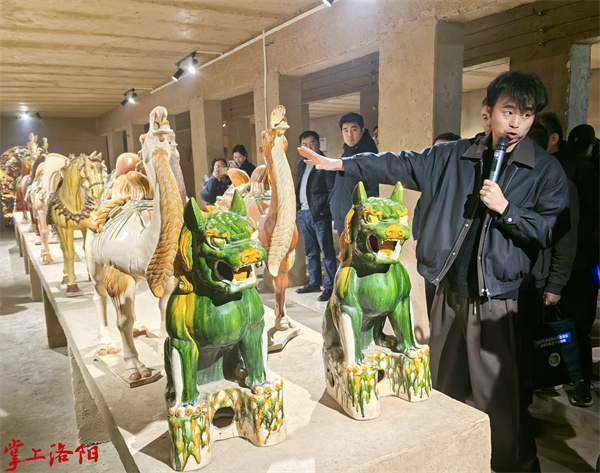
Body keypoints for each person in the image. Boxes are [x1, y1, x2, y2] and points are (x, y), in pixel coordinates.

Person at [299, 71, 570, 472]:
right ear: (488, 111)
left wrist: (507, 210)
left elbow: (549, 229)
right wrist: (343, 163)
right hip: (446, 291)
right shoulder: (454, 155)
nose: (516, 123)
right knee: (440, 388)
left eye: (527, 115)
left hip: (495, 300)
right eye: (509, 111)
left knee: (500, 401)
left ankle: (514, 465)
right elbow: (400, 163)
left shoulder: (545, 170)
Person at [553, 124, 600, 407]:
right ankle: (580, 382)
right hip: (579, 262)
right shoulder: (583, 168)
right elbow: (593, 215)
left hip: (555, 259)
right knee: (578, 323)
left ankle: (554, 373)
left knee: (558, 321)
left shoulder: (553, 165)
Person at [413, 132, 461, 318]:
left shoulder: (466, 183)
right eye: (436, 150)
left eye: (446, 151)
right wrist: (418, 239)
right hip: (431, 261)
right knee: (433, 312)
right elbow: (419, 213)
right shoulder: (430, 182)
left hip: (455, 263)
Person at [294, 131, 337, 302]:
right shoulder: (302, 164)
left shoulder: (324, 163)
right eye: (304, 144)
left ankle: (330, 286)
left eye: (312, 143)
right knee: (311, 252)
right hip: (303, 214)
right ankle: (314, 282)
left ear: (318, 144)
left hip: (318, 214)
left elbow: (331, 190)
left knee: (326, 251)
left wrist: (323, 210)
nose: (309, 147)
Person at [329, 113, 379, 236]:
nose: (349, 135)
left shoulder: (369, 156)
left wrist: (358, 209)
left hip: (359, 221)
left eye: (354, 129)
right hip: (342, 218)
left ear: (362, 130)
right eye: (345, 130)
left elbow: (375, 189)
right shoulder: (346, 154)